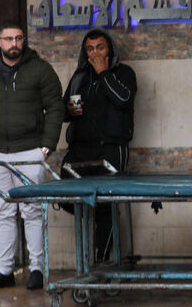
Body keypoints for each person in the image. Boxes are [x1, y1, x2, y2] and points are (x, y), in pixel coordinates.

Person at [0, 21, 62, 290]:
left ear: (24, 40)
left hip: (30, 150)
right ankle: (5, 270)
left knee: (32, 211)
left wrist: (46, 146)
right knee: (2, 211)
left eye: (18, 38)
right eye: (8, 39)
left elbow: (55, 106)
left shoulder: (40, 69)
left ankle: (37, 269)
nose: (14, 44)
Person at [62, 29, 136, 264]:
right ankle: (94, 217)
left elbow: (122, 99)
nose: (95, 53)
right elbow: (65, 110)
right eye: (90, 49)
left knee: (108, 206)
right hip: (80, 150)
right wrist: (70, 111)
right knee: (65, 195)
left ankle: (102, 261)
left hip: (111, 149)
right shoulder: (79, 77)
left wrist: (103, 72)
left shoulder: (124, 73)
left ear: (110, 49)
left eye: (100, 47)